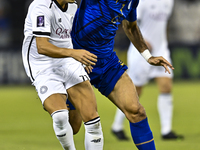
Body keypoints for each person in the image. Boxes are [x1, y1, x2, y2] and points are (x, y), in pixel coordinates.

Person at [70, 0, 174, 149]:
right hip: (77, 60)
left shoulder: (133, 1)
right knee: (73, 126)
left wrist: (147, 56)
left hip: (106, 63)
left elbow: (130, 26)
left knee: (137, 111)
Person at [22, 0, 104, 150]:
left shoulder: (72, 6)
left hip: (68, 62)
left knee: (92, 120)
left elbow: (70, 37)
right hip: (43, 65)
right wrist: (74, 54)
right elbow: (42, 46)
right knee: (60, 117)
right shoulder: (41, 6)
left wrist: (82, 57)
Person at [111, 0, 184, 140]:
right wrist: (144, 42)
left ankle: (166, 130)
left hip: (161, 49)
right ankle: (117, 126)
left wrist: (163, 41)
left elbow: (164, 24)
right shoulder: (142, 2)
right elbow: (130, 24)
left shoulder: (169, 2)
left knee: (166, 86)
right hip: (142, 51)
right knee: (135, 91)